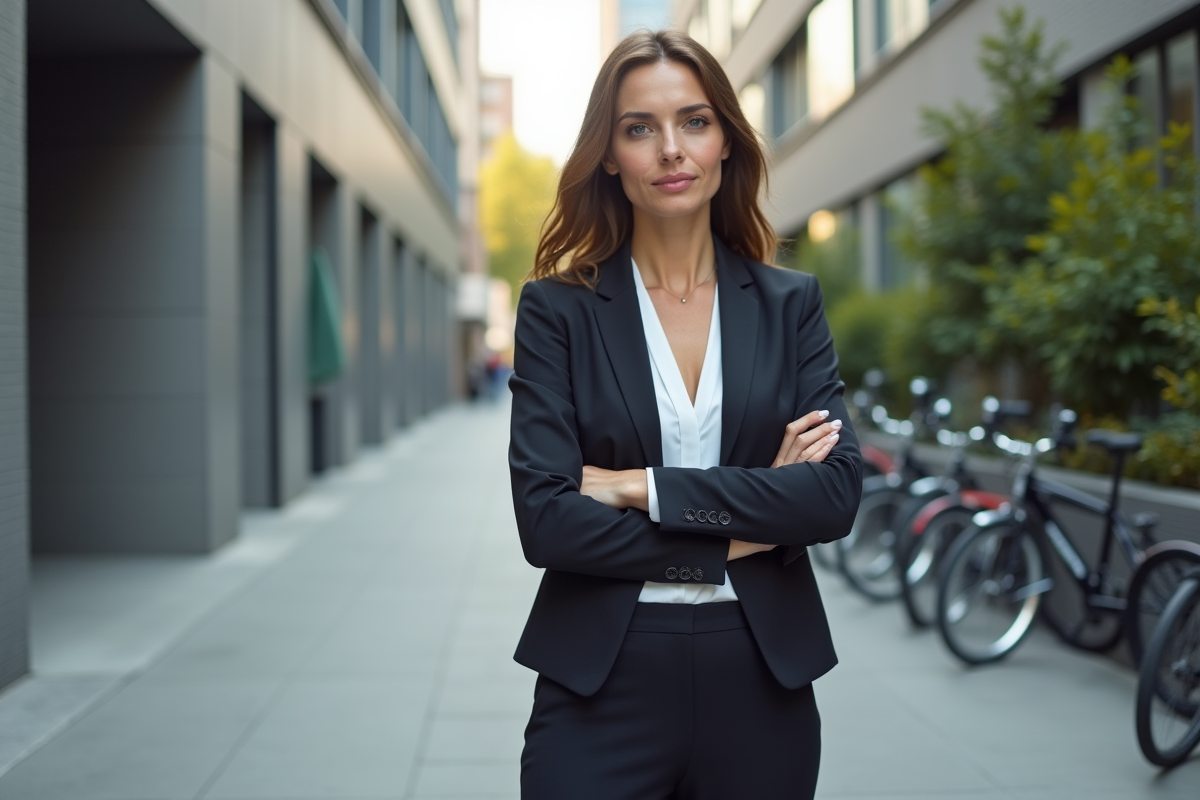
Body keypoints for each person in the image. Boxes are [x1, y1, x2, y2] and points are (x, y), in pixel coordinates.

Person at [508, 29, 862, 800]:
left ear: (726, 141)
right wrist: (750, 525)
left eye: (694, 122)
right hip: (601, 679)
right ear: (610, 153)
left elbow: (832, 495)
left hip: (761, 673)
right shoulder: (556, 312)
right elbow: (547, 522)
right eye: (640, 128)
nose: (671, 148)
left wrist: (642, 486)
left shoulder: (789, 306)